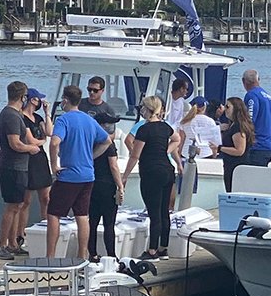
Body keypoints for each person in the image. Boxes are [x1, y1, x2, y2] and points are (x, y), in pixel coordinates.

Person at [47, 85, 113, 261]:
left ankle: (50, 256)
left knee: (53, 213)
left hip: (69, 175)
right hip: (87, 175)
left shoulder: (64, 120)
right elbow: (106, 140)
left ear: (66, 100)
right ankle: (82, 254)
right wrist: (91, 156)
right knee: (82, 215)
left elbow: (54, 143)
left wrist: (54, 164)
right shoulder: (89, 120)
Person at [123, 96, 180, 260]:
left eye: (142, 108)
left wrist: (125, 176)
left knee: (154, 211)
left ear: (147, 109)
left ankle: (152, 250)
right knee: (164, 211)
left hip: (151, 172)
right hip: (167, 170)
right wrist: (166, 151)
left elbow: (135, 155)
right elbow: (177, 139)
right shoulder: (165, 127)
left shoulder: (144, 129)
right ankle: (164, 248)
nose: (141, 110)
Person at [0, 81, 42, 260]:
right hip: (12, 166)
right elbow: (14, 143)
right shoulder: (12, 116)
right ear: (23, 98)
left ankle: (13, 243)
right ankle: (2, 245)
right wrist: (30, 148)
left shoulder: (12, 114)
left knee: (18, 205)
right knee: (12, 206)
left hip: (18, 166)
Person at [87, 131, 123, 262]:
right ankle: (111, 256)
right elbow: (113, 166)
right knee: (109, 224)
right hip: (107, 186)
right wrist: (120, 186)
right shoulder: (109, 145)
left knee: (92, 222)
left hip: (92, 184)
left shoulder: (91, 143)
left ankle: (93, 254)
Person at [23, 88, 55, 232]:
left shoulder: (38, 118)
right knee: (26, 200)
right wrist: (41, 141)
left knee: (46, 198)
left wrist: (47, 113)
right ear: (32, 100)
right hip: (29, 159)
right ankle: (20, 232)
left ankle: (46, 228)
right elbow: (31, 140)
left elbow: (49, 132)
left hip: (40, 158)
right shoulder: (22, 118)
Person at [242, 69, 271, 167]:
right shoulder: (268, 97)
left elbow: (249, 119)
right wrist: (268, 137)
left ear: (243, 81)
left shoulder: (251, 95)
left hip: (256, 147)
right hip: (267, 146)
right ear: (259, 79)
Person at [220, 97, 254, 191]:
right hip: (229, 165)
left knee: (233, 191)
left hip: (236, 167)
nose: (225, 110)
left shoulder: (238, 127)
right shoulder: (232, 126)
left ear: (236, 109)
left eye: (227, 107)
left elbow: (239, 150)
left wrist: (220, 148)